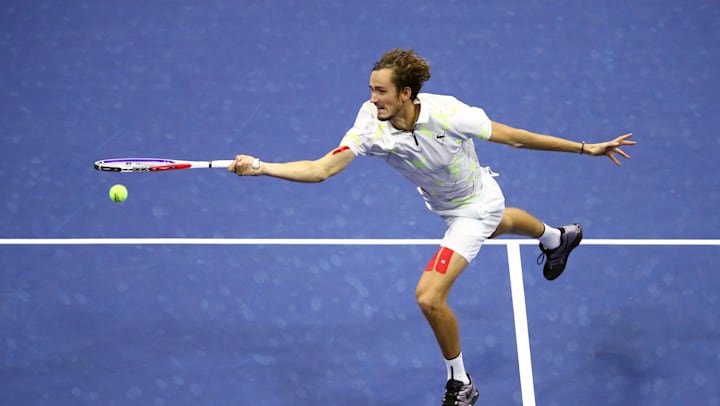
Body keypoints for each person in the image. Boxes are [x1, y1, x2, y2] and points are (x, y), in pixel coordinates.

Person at [229, 48, 635, 406]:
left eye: (381, 91)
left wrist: (586, 148)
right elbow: (322, 169)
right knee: (500, 223)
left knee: (429, 296)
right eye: (371, 90)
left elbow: (516, 138)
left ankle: (461, 382)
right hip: (448, 205)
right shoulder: (370, 123)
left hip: (475, 207)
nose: (373, 99)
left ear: (406, 93)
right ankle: (557, 238)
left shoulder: (450, 114)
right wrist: (261, 167)